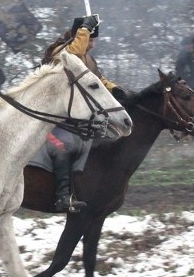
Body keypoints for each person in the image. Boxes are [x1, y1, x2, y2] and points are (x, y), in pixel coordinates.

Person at [40, 15, 131, 213]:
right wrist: (84, 29)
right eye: (89, 39)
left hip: (78, 118)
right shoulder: (62, 53)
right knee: (63, 148)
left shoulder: (86, 57)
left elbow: (97, 79)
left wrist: (114, 89)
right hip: (55, 118)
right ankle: (63, 196)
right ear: (78, 36)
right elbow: (71, 57)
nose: (91, 45)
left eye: (92, 40)